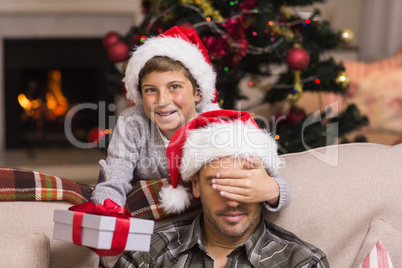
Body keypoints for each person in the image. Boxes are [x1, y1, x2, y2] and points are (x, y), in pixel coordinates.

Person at [91, 26, 291, 217]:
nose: (162, 101)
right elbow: (113, 181)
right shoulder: (132, 122)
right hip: (150, 216)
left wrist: (272, 191)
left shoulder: (218, 127)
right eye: (151, 90)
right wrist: (106, 213)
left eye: (174, 87)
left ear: (197, 92)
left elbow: (280, 184)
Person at [116, 110, 329, 268]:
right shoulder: (146, 253)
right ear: (196, 186)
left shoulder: (303, 262)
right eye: (219, 185)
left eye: (243, 186)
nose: (233, 201)